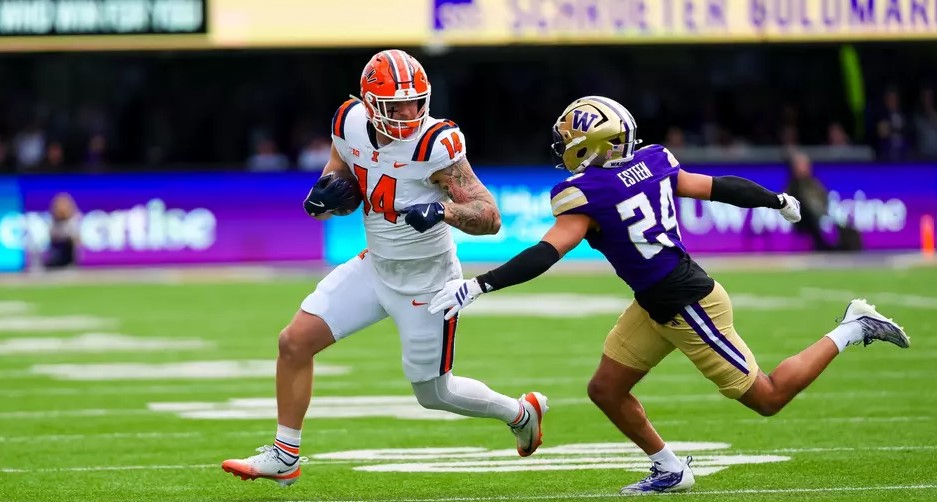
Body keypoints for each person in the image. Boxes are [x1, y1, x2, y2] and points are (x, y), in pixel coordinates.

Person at [428, 96, 910, 495]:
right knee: (606, 389)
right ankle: (670, 468)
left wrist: (478, 285)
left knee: (767, 397)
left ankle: (854, 326)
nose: (564, 148)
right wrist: (776, 199)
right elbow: (720, 188)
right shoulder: (653, 162)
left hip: (688, 303)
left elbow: (546, 253)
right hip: (654, 300)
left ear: (594, 145)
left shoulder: (586, 193)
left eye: (570, 140)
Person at [221, 49, 548, 487]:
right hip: (375, 266)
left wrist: (445, 211)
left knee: (434, 394)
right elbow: (341, 175)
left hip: (428, 282)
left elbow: (489, 217)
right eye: (397, 106)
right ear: (371, 106)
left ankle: (520, 413)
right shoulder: (348, 122)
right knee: (294, 342)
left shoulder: (436, 143)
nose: (409, 114)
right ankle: (285, 456)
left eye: (415, 103)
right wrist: (324, 199)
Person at [44, 193, 81, 269]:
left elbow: (76, 241)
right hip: (55, 257)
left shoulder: (74, 220)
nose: (61, 208)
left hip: (69, 259)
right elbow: (51, 238)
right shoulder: (52, 221)